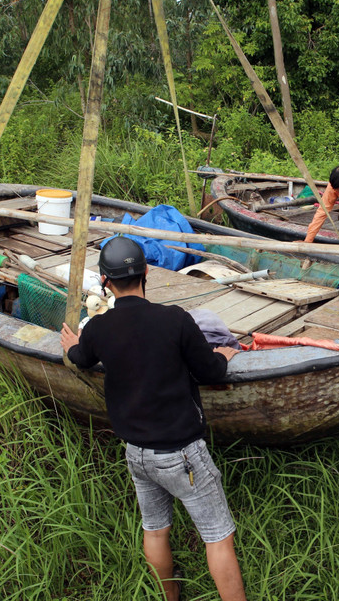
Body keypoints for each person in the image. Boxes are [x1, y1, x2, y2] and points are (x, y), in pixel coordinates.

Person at [60, 237, 247, 601]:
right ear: (146, 272)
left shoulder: (98, 328)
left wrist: (69, 347)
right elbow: (210, 372)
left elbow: (81, 357)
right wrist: (224, 353)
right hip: (182, 454)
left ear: (104, 281)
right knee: (218, 537)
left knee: (156, 530)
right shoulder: (175, 319)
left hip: (137, 452)